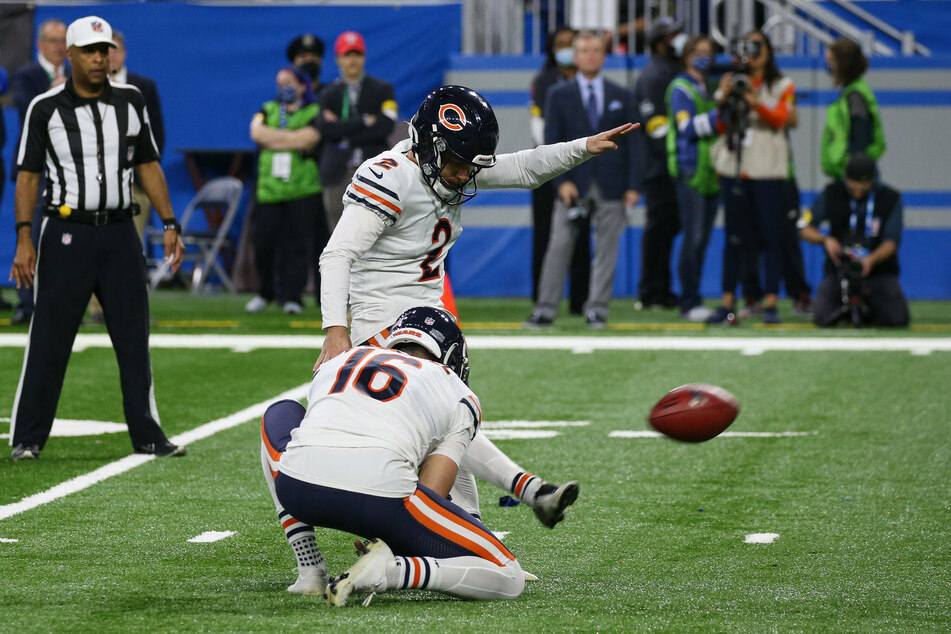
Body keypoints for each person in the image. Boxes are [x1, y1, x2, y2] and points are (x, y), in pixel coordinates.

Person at [316, 84, 627, 526]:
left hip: (430, 322)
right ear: (431, 145)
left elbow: (524, 167)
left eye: (469, 166)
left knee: (451, 427)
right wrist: (336, 330)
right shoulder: (389, 175)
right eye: (458, 165)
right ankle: (524, 492)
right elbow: (337, 254)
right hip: (384, 326)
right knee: (448, 417)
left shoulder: (446, 165)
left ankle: (471, 528)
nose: (464, 177)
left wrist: (584, 147)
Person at [8, 16, 185, 461]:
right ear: (68, 55)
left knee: (132, 336)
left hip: (120, 233)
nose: (99, 58)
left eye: (104, 50)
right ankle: (28, 438)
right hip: (66, 231)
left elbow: (148, 164)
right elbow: (27, 176)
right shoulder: (44, 108)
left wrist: (169, 223)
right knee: (49, 337)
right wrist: (24, 239)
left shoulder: (130, 101)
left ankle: (147, 434)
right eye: (89, 50)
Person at [262, 307, 528, 604]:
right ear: (453, 355)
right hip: (381, 499)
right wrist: (400, 542)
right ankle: (393, 572)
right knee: (509, 574)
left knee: (280, 412)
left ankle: (309, 567)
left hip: (298, 488)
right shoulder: (455, 389)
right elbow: (431, 492)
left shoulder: (342, 360)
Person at [526, 31, 638, 328]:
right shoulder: (558, 95)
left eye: (596, 50)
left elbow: (633, 146)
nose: (590, 55)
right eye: (585, 50)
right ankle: (545, 310)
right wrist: (560, 181)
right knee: (558, 245)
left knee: (606, 252)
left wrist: (633, 186)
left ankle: (597, 310)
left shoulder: (621, 95)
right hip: (572, 182)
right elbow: (551, 142)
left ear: (604, 55)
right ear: (575, 57)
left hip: (612, 184)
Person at [708, 31, 796, 325]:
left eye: (757, 47)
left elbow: (781, 120)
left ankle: (770, 304)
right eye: (747, 47)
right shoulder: (731, 82)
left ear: (768, 51)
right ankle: (727, 304)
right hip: (734, 168)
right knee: (733, 239)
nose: (752, 53)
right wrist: (724, 98)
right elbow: (721, 127)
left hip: (768, 170)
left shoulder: (782, 84)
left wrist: (755, 102)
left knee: (770, 237)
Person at [83, 28, 168, 323]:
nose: (109, 56)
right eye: (104, 51)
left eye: (113, 49)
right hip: (93, 185)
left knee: (131, 249)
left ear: (123, 52)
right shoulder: (84, 87)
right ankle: (97, 309)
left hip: (133, 186)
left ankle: (131, 309)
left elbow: (156, 136)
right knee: (95, 246)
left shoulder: (142, 86)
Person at [245, 66, 322, 315]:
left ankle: (292, 297)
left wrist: (273, 139)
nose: (284, 87)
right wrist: (291, 138)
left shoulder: (314, 110)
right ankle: (266, 291)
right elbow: (256, 132)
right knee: (263, 243)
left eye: (289, 82)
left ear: (302, 85)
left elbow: (310, 138)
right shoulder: (266, 109)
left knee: (297, 246)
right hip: (269, 189)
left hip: (303, 189)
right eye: (280, 83)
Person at [800, 155, 908, 328]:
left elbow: (892, 241)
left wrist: (870, 260)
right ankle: (851, 310)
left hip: (878, 271)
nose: (858, 188)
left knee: (898, 318)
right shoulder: (832, 192)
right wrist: (825, 239)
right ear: (846, 178)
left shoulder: (890, 198)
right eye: (853, 183)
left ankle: (866, 311)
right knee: (822, 317)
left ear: (873, 180)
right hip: (840, 271)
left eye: (864, 184)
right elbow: (804, 227)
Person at [9, 18, 70, 325]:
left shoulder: (74, 74)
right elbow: (25, 109)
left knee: (64, 238)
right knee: (28, 235)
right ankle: (26, 304)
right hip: (35, 167)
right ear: (41, 44)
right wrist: (54, 92)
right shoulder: (26, 74)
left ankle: (59, 302)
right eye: (55, 41)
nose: (60, 47)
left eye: (64, 41)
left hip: (67, 168)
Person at [528, 26, 590, 315]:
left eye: (571, 43)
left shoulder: (586, 82)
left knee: (582, 235)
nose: (566, 49)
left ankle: (581, 299)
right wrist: (555, 159)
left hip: (580, 169)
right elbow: (540, 127)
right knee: (546, 234)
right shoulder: (543, 81)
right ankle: (541, 296)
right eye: (561, 44)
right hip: (548, 168)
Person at [666, 36, 724, 322]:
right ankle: (689, 301)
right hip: (690, 169)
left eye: (709, 53)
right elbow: (686, 127)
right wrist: (720, 113)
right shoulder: (681, 88)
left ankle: (694, 298)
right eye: (699, 53)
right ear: (687, 56)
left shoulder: (703, 87)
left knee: (702, 239)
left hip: (710, 169)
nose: (704, 58)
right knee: (694, 237)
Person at [632, 17, 687, 311]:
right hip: (660, 167)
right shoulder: (654, 75)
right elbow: (656, 130)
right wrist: (675, 156)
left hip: (670, 165)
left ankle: (661, 289)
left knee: (666, 231)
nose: (678, 40)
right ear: (658, 43)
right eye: (672, 36)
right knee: (659, 230)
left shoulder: (672, 70)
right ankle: (651, 291)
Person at [319, 31, 397, 233]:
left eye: (357, 54)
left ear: (364, 57)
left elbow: (386, 126)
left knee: (376, 229)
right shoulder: (327, 94)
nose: (352, 60)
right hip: (337, 172)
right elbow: (325, 129)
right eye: (347, 55)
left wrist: (343, 130)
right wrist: (364, 121)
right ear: (338, 59)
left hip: (373, 171)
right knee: (337, 232)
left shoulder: (383, 89)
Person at [821, 38, 885, 181]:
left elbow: (860, 139)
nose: (828, 66)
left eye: (831, 61)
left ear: (843, 64)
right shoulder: (850, 92)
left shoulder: (855, 96)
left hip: (856, 175)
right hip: (849, 172)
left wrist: (853, 173)